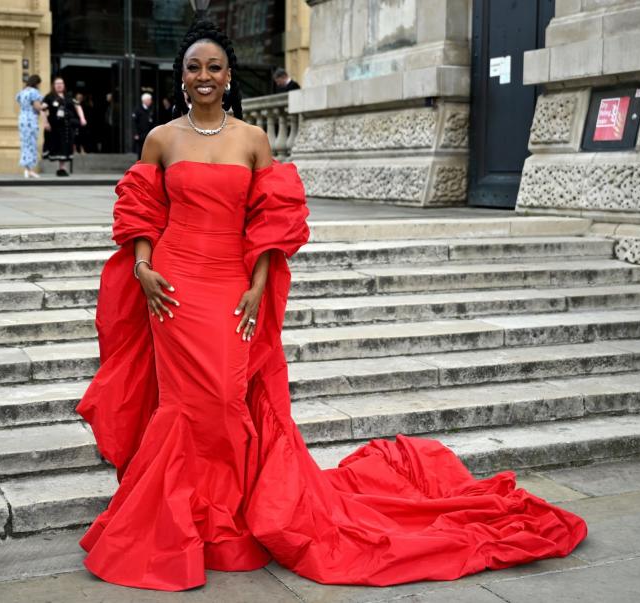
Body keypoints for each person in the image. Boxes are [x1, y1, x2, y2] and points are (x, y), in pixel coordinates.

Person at [75, 17, 587, 593]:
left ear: (227, 75)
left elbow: (272, 220)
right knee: (184, 406)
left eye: (214, 66)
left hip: (230, 285)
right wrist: (143, 269)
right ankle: (185, 526)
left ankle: (227, 516)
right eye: (193, 67)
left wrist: (258, 285)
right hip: (173, 288)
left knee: (225, 400)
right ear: (181, 76)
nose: (204, 76)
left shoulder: (253, 139)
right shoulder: (162, 139)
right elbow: (141, 211)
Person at [42, 76, 85, 176]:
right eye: (57, 83)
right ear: (54, 85)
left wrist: (82, 118)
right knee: (56, 146)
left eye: (61, 83)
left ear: (64, 85)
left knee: (66, 146)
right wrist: (45, 123)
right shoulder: (49, 97)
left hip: (67, 127)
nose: (59, 85)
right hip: (55, 127)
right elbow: (43, 110)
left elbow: (78, 106)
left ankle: (62, 168)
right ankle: (60, 167)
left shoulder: (68, 96)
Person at [15, 75, 44, 178]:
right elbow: (37, 106)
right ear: (36, 83)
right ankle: (29, 169)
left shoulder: (22, 92)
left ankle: (27, 169)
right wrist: (44, 106)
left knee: (25, 143)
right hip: (31, 119)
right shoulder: (34, 92)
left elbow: (19, 101)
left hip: (22, 119)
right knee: (31, 144)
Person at [131, 92, 154, 159]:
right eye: (149, 100)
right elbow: (134, 123)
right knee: (140, 150)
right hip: (140, 134)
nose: (151, 101)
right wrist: (135, 134)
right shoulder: (138, 110)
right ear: (144, 101)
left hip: (148, 133)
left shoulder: (150, 109)